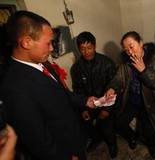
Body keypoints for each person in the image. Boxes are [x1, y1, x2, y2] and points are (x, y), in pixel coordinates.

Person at [0, 10, 97, 160]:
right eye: (48, 43)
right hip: (63, 151)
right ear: (26, 42)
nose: (52, 48)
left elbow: (60, 93)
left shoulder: (41, 63)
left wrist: (84, 101)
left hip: (73, 138)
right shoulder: (14, 89)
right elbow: (37, 140)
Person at [104, 31, 155, 159]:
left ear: (141, 43)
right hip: (132, 100)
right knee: (119, 124)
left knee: (150, 132)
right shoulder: (126, 61)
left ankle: (152, 145)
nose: (129, 52)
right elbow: (118, 79)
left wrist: (144, 70)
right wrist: (112, 88)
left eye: (131, 46)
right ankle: (132, 137)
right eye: (125, 49)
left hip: (149, 102)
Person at [70, 31, 118, 159]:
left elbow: (115, 87)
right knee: (87, 126)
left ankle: (112, 144)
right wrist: (84, 108)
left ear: (95, 46)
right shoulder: (76, 68)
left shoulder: (107, 63)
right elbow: (78, 89)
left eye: (89, 48)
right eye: (82, 49)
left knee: (108, 129)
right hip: (88, 104)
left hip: (106, 103)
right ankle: (97, 139)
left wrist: (107, 109)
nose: (86, 52)